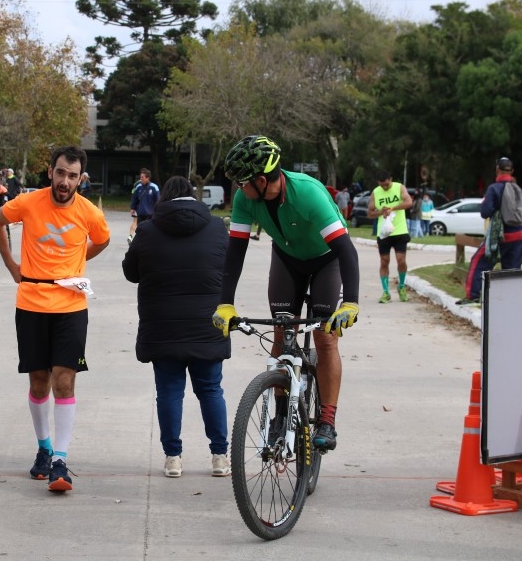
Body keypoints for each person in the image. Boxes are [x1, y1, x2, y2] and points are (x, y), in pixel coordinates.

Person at [212, 135, 360, 452]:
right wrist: (225, 303)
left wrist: (350, 303)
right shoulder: (245, 200)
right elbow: (235, 253)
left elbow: (346, 252)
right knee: (282, 330)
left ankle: (327, 420)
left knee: (324, 335)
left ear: (262, 180)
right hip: (287, 259)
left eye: (242, 181)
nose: (238, 188)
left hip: (326, 261)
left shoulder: (307, 194)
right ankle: (280, 415)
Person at [0, 145, 111, 492]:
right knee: (38, 382)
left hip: (71, 306)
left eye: (72, 176)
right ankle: (43, 448)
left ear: (80, 179)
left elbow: (102, 239)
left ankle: (60, 459)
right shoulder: (28, 202)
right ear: (50, 172)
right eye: (60, 173)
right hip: (31, 302)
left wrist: (78, 259)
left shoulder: (88, 212)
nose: (65, 181)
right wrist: (12, 264)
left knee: (65, 380)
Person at [122, 175, 231, 478]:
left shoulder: (147, 230)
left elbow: (131, 273)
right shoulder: (216, 228)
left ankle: (173, 457)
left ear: (163, 199)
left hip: (163, 326)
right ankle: (220, 456)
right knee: (210, 389)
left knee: (169, 391)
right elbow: (228, 267)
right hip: (208, 324)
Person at [457, 157, 522, 305]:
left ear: (497, 169)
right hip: (519, 235)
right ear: (512, 171)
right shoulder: (520, 190)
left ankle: (473, 295)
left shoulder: (494, 188)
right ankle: (512, 301)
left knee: (478, 261)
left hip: (501, 235)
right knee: (512, 271)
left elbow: (485, 212)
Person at [367, 170, 413, 303]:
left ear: (390, 179)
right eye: (382, 185)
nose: (385, 187)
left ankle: (402, 286)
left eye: (387, 184)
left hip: (400, 230)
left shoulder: (399, 187)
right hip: (384, 232)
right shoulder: (376, 192)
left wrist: (392, 208)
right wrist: (381, 211)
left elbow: (409, 202)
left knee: (401, 260)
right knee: (384, 261)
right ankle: (386, 292)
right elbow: (370, 213)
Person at [128, 168, 159, 243]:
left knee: (150, 229)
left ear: (147, 178)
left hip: (150, 214)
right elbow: (134, 198)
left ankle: (149, 242)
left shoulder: (154, 187)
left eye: (142, 177)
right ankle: (140, 242)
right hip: (141, 212)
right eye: (140, 177)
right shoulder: (138, 187)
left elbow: (158, 200)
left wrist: (157, 210)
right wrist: (132, 208)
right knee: (140, 229)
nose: (140, 179)